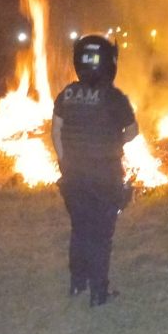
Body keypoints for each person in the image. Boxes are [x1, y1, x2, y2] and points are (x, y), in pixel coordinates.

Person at [51, 34, 139, 306]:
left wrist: (65, 161)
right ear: (109, 63)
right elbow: (133, 131)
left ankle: (78, 283)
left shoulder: (66, 93)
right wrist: (114, 142)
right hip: (105, 176)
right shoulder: (114, 97)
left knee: (79, 229)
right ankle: (99, 293)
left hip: (74, 176)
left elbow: (55, 131)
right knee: (101, 234)